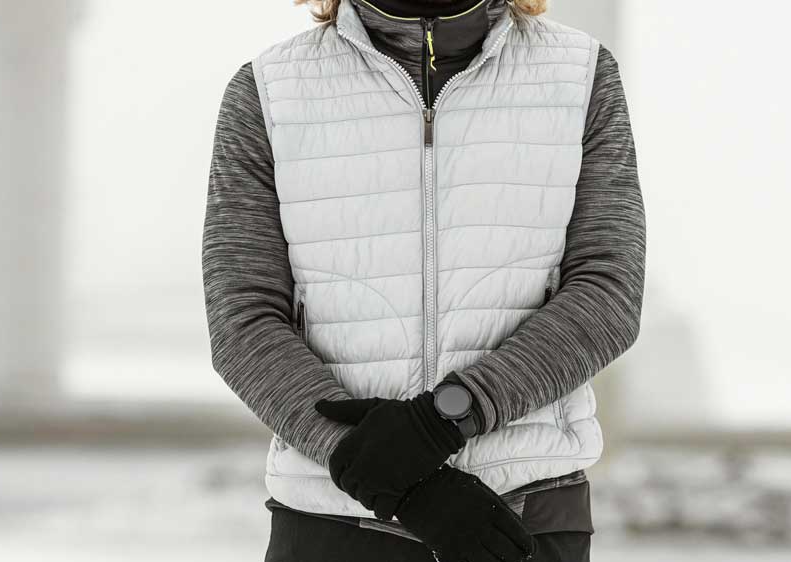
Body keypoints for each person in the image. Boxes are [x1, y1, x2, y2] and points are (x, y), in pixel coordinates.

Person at [202, 0, 645, 559]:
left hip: (523, 519)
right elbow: (242, 318)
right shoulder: (266, 91)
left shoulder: (581, 75)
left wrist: (448, 416)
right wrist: (394, 480)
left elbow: (609, 291)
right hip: (332, 522)